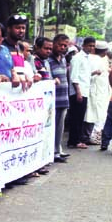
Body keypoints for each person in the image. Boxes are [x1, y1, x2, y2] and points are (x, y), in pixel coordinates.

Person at [49, 34, 71, 162]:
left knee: (60, 127)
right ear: (54, 44)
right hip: (54, 99)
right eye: (60, 44)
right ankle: (53, 152)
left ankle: (58, 149)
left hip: (63, 98)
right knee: (53, 126)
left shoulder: (63, 59)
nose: (62, 47)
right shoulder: (49, 60)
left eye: (65, 45)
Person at [85, 40, 110, 144]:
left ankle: (96, 136)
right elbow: (87, 74)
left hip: (102, 91)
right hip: (94, 91)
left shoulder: (103, 59)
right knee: (93, 114)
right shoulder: (91, 59)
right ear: (103, 51)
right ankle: (92, 136)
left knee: (100, 114)